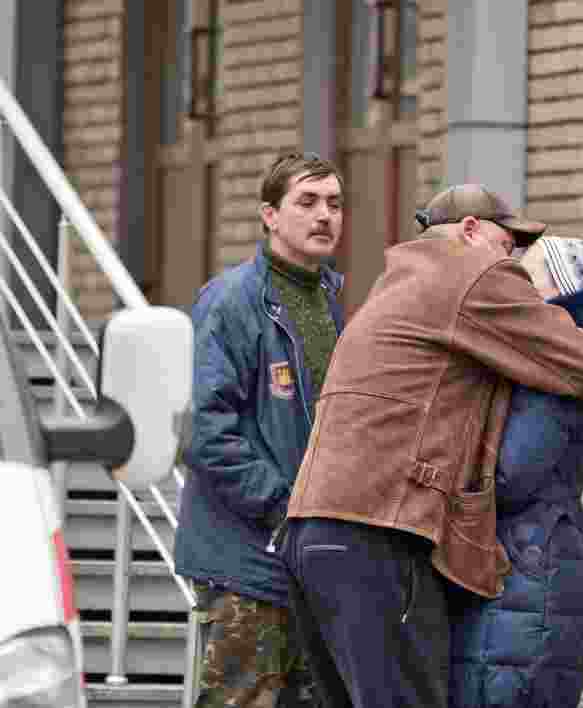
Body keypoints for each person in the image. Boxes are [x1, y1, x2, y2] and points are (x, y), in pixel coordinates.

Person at [281, 184, 583, 708]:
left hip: (311, 533)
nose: (512, 259)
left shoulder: (392, 286)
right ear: (469, 230)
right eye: (507, 242)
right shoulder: (474, 272)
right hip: (381, 535)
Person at [174, 152, 346, 708]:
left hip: (312, 559)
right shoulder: (231, 302)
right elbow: (207, 431)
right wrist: (279, 506)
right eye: (308, 202)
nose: (324, 215)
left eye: (335, 204)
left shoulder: (331, 301)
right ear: (269, 215)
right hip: (246, 559)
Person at [448, 237, 583, 708]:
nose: (513, 279)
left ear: (558, 293)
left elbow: (511, 475)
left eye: (528, 272)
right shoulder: (562, 365)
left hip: (528, 566)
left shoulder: (551, 374)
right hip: (540, 558)